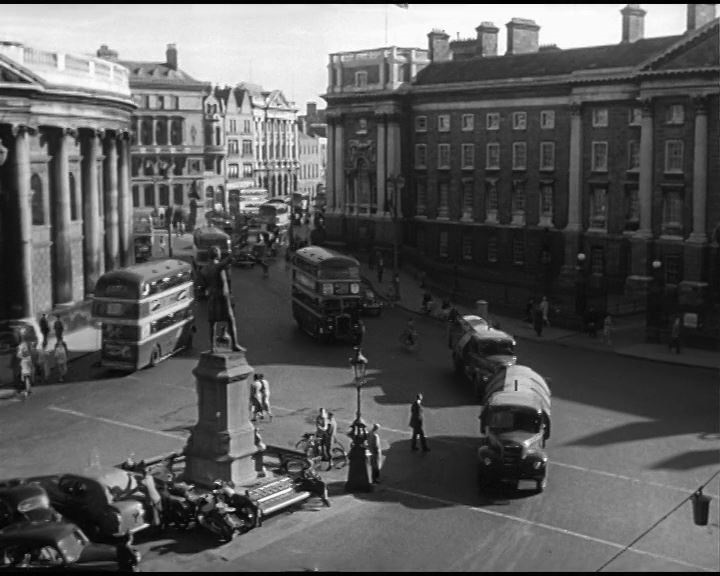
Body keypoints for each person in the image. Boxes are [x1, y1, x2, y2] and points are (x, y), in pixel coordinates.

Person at [201, 246, 243, 353]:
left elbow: (202, 285)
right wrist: (235, 251)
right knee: (230, 320)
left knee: (212, 323)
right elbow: (228, 260)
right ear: (217, 255)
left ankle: (212, 347)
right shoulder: (218, 266)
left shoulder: (204, 269)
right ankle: (235, 345)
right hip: (222, 297)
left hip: (211, 297)